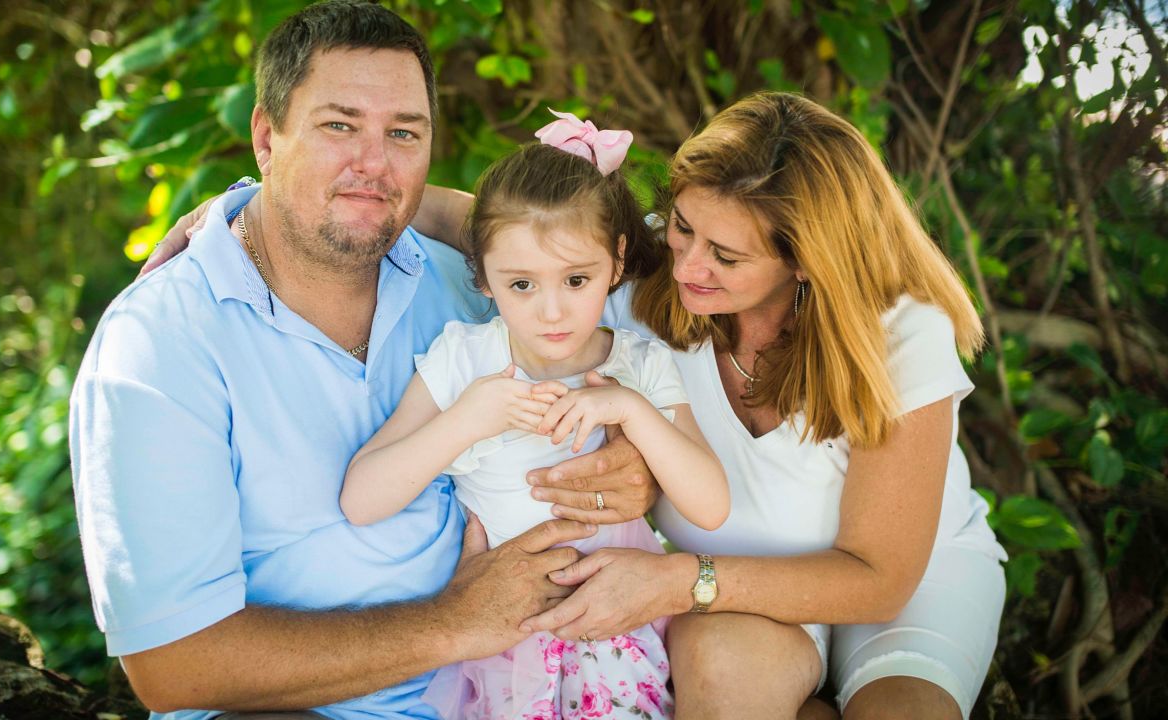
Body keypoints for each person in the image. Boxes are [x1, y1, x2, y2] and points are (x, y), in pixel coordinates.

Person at [148, 92, 1005, 720]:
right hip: (727, 595)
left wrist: (674, 575)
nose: (691, 265)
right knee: (723, 670)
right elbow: (511, 227)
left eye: (727, 255)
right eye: (681, 231)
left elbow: (878, 574)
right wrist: (247, 211)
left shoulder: (899, 334)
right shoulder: (631, 294)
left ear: (807, 260)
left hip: (891, 586)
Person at [69, 3, 659, 719]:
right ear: (266, 135)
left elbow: (578, 258)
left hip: (519, 684)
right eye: (339, 126)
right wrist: (455, 624)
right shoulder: (160, 342)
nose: (373, 164)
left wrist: (633, 470)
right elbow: (175, 667)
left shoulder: (469, 285)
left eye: (403, 134)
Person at [339, 115, 729, 720]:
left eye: (577, 279)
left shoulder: (638, 365)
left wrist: (630, 409)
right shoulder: (468, 360)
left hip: (614, 637)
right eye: (521, 283)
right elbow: (361, 499)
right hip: (506, 640)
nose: (552, 311)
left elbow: (710, 506)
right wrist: (468, 419)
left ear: (617, 260)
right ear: (484, 278)